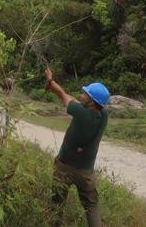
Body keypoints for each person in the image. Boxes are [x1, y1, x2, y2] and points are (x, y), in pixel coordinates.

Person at [44, 67, 110, 227]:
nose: (82, 95)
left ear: (92, 102)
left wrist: (51, 81)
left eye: (85, 94)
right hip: (86, 172)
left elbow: (63, 95)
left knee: (56, 204)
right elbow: (74, 100)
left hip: (64, 167)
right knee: (91, 206)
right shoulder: (103, 116)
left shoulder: (80, 113)